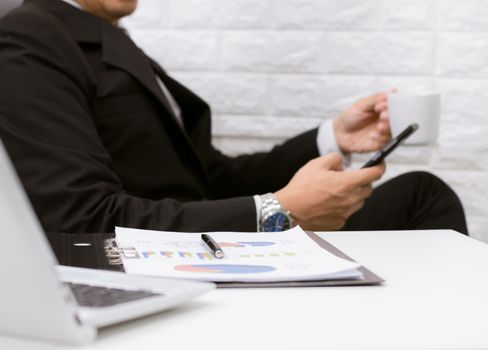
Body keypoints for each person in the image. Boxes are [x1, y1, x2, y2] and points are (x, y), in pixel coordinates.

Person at [0, 0, 468, 235]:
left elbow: (212, 177)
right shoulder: (30, 38)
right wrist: (277, 213)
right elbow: (79, 219)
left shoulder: (110, 41)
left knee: (418, 193)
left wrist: (334, 138)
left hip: (207, 238)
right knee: (422, 196)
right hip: (166, 262)